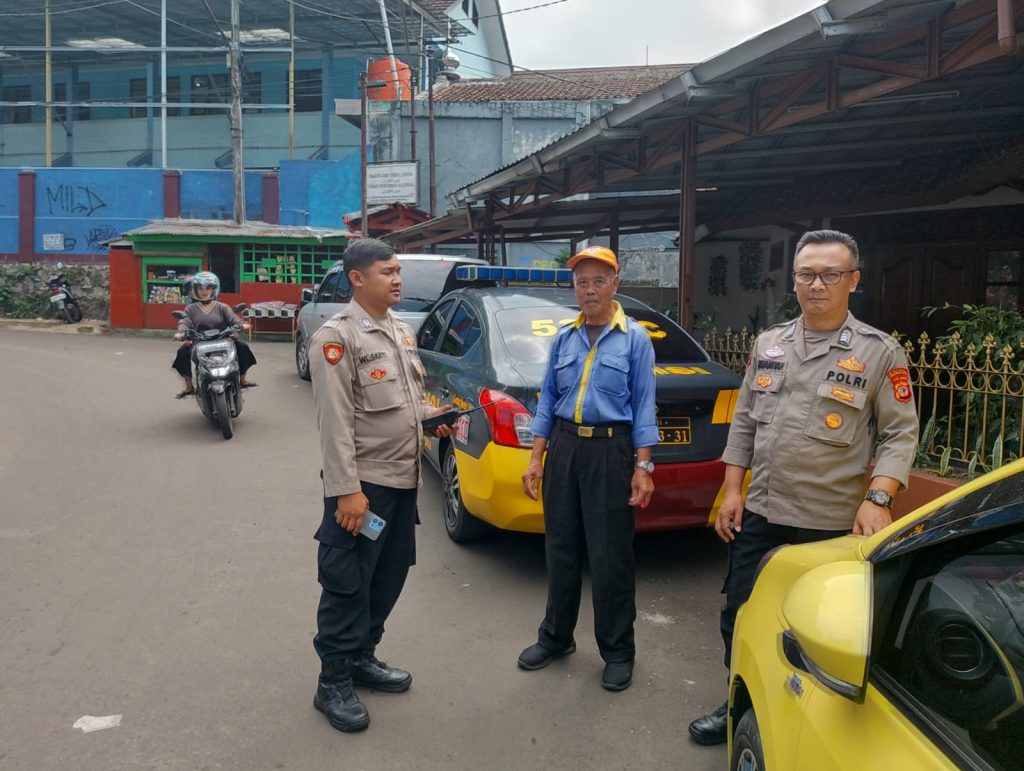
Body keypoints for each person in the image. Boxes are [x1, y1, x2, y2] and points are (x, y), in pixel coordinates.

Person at [687, 229, 919, 746]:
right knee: (740, 613)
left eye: (830, 274)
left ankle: (814, 726)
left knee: (821, 630)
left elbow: (901, 433)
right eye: (806, 274)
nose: (817, 284)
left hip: (832, 522)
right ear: (794, 280)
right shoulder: (770, 343)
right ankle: (736, 704)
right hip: (763, 512)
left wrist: (879, 498)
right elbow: (744, 421)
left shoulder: (880, 352)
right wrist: (731, 490)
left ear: (852, 281)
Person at [308, 238, 453, 733]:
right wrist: (346, 490)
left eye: (398, 271)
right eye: (387, 271)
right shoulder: (337, 337)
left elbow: (404, 401)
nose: (397, 279)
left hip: (401, 482)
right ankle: (332, 682)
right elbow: (335, 422)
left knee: (387, 576)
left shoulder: (400, 331)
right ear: (357, 278)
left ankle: (363, 657)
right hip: (362, 489)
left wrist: (432, 418)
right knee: (347, 583)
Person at [518, 244, 658, 692]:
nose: (590, 289)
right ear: (573, 287)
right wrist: (537, 458)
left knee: (609, 556)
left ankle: (618, 651)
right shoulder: (564, 337)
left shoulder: (634, 339)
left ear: (615, 285)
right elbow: (545, 404)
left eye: (600, 281)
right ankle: (556, 637)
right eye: (582, 282)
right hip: (564, 447)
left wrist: (643, 466)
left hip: (609, 452)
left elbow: (644, 409)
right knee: (560, 550)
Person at [171, 271, 257, 397]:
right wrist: (182, 333)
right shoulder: (190, 309)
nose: (204, 291)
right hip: (199, 341)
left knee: (243, 347)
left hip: (223, 338)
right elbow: (184, 321)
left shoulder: (222, 307)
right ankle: (189, 385)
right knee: (182, 352)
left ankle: (242, 378)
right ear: (195, 290)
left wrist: (240, 325)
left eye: (208, 287)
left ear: (214, 289)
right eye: (200, 288)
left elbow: (233, 318)